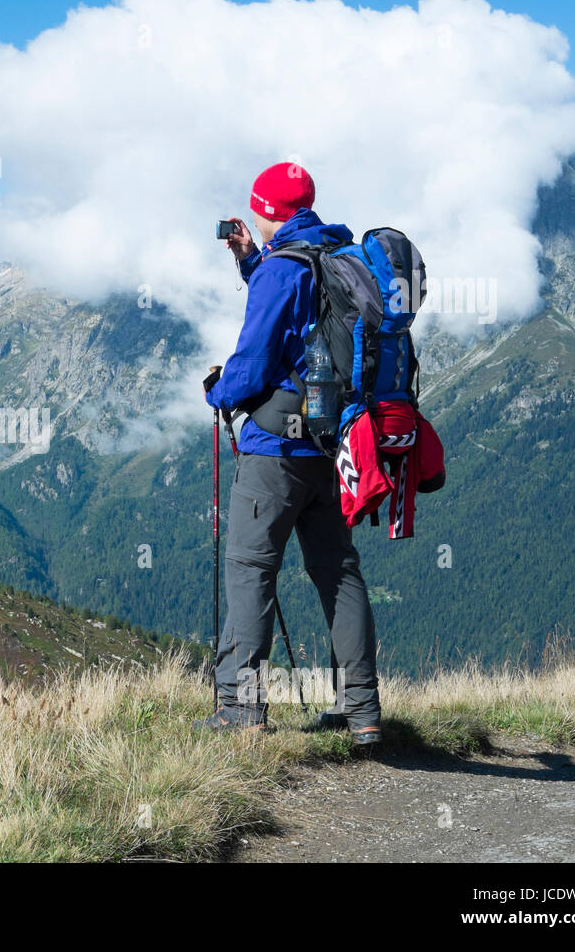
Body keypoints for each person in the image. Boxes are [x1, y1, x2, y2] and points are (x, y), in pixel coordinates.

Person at [197, 162, 381, 744]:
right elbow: (307, 323)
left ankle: (240, 709)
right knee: (338, 571)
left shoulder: (285, 269)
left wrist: (218, 391)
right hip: (331, 445)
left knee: (251, 570)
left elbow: (252, 365)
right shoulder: (338, 256)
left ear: (267, 210)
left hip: (275, 448)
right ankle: (362, 712)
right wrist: (251, 261)